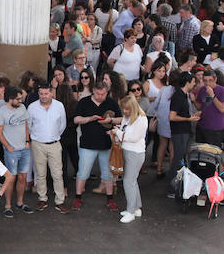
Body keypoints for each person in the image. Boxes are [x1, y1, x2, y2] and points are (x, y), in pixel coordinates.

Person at [72, 82, 121, 211]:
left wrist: (110, 120)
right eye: (98, 94)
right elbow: (76, 119)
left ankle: (110, 199)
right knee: (82, 173)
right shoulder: (84, 102)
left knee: (107, 174)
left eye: (103, 94)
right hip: (87, 144)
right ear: (93, 91)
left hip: (106, 144)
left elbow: (121, 119)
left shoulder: (111, 102)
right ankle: (78, 198)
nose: (100, 96)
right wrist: (89, 119)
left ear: (107, 92)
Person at [25, 84, 70, 213]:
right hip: (38, 144)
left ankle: (60, 201)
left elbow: (62, 125)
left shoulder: (59, 106)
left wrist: (53, 136)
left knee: (57, 174)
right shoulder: (32, 107)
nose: (43, 96)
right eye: (41, 94)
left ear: (51, 93)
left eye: (46, 93)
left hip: (55, 143)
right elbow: (29, 125)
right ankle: (42, 198)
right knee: (40, 173)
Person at [0, 86, 34, 217]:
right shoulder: (2, 112)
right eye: (18, 99)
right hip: (11, 151)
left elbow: (26, 125)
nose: (20, 101)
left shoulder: (22, 108)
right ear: (10, 99)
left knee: (23, 176)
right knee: (11, 178)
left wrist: (27, 141)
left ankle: (20, 202)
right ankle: (8, 205)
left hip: (24, 149)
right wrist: (8, 147)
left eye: (21, 98)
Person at [114, 95, 147, 223]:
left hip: (136, 153)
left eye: (126, 109)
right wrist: (119, 133)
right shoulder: (127, 117)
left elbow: (132, 137)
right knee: (132, 182)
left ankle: (131, 211)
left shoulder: (142, 119)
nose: (124, 111)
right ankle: (137, 208)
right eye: (123, 109)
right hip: (127, 151)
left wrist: (117, 132)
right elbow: (125, 133)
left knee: (128, 182)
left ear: (132, 108)